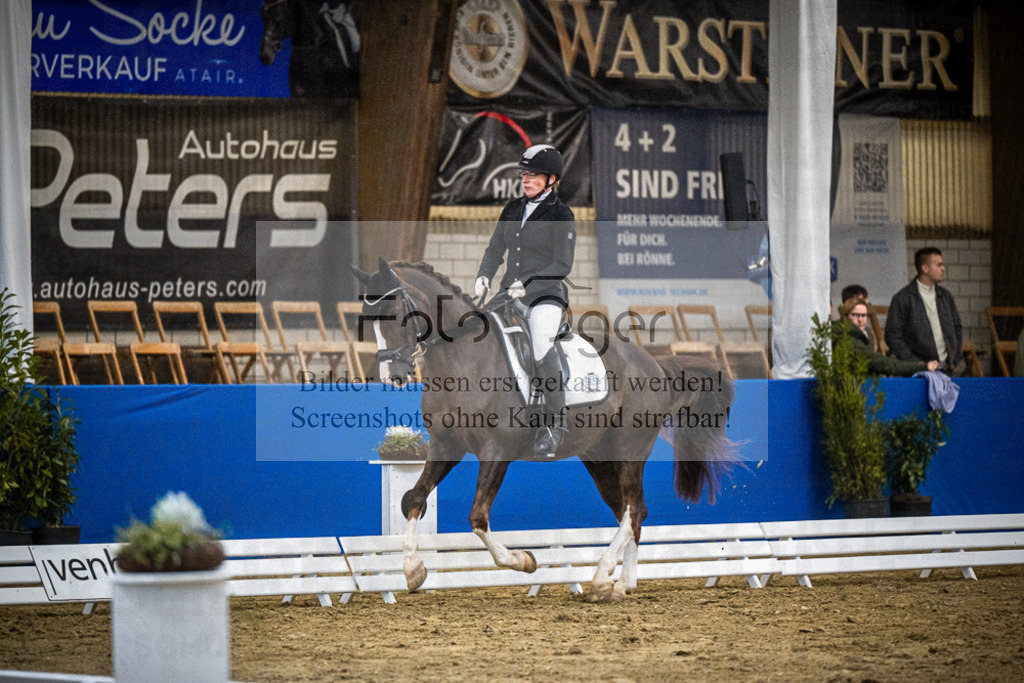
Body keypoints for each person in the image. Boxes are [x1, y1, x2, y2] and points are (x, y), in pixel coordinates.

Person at [474, 144, 576, 456]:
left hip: (545, 295)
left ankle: (553, 425)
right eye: (524, 174)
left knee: (542, 344)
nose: (526, 179)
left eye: (533, 175)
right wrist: (484, 276)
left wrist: (527, 283)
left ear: (551, 179)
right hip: (507, 293)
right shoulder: (512, 209)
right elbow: (494, 251)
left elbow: (562, 265)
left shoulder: (561, 214)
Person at [884, 247, 963, 375]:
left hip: (946, 370)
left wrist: (955, 358)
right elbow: (892, 335)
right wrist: (914, 363)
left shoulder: (946, 296)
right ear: (925, 268)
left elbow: (957, 327)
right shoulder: (902, 298)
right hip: (916, 374)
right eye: (939, 265)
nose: (943, 268)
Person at [839, 298, 938, 376]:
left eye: (864, 315)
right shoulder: (848, 339)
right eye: (855, 315)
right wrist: (921, 367)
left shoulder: (864, 335)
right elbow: (885, 364)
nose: (860, 320)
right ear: (845, 316)